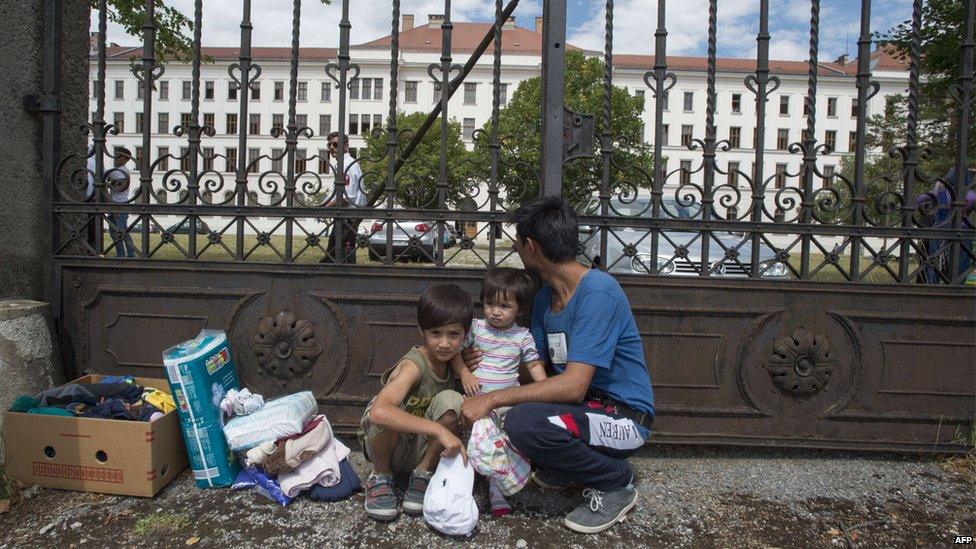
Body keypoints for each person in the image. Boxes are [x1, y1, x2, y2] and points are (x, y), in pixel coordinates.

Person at [460, 196, 655, 534]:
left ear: (529, 245)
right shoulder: (544, 299)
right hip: (582, 410)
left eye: (518, 243)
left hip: (624, 417)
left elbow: (572, 385)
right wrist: (486, 356)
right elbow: (534, 370)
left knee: (521, 422)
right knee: (518, 416)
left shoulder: (598, 291)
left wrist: (490, 399)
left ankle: (616, 483)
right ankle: (569, 465)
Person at [357, 284, 470, 522]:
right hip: (389, 447)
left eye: (453, 335)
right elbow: (379, 413)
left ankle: (422, 473)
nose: (444, 343)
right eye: (436, 333)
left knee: (452, 400)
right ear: (422, 330)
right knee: (387, 408)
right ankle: (380, 476)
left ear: (464, 334)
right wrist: (439, 429)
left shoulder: (452, 360)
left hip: (420, 451)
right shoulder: (414, 365)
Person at [449, 267, 548, 517]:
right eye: (490, 303)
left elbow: (535, 366)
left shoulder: (522, 336)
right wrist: (465, 373)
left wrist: (546, 391)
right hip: (475, 403)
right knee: (472, 442)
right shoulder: (476, 328)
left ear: (520, 310)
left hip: (506, 405)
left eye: (504, 306)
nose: (494, 311)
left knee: (499, 446)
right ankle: (464, 485)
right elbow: (455, 354)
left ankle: (496, 488)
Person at [322, 131, 365, 263]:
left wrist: (324, 208)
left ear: (346, 146)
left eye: (335, 144)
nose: (331, 147)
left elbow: (347, 198)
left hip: (347, 218)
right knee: (335, 256)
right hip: (344, 217)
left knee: (340, 258)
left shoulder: (347, 165)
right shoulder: (342, 164)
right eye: (329, 145)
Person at [106, 147, 136, 258]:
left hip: (121, 203)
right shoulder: (115, 169)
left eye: (119, 156)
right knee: (114, 232)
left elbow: (121, 186)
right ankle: (121, 254)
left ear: (126, 159)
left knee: (122, 230)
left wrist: (109, 184)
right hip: (114, 203)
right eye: (116, 155)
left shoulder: (123, 171)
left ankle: (130, 253)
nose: (116, 158)